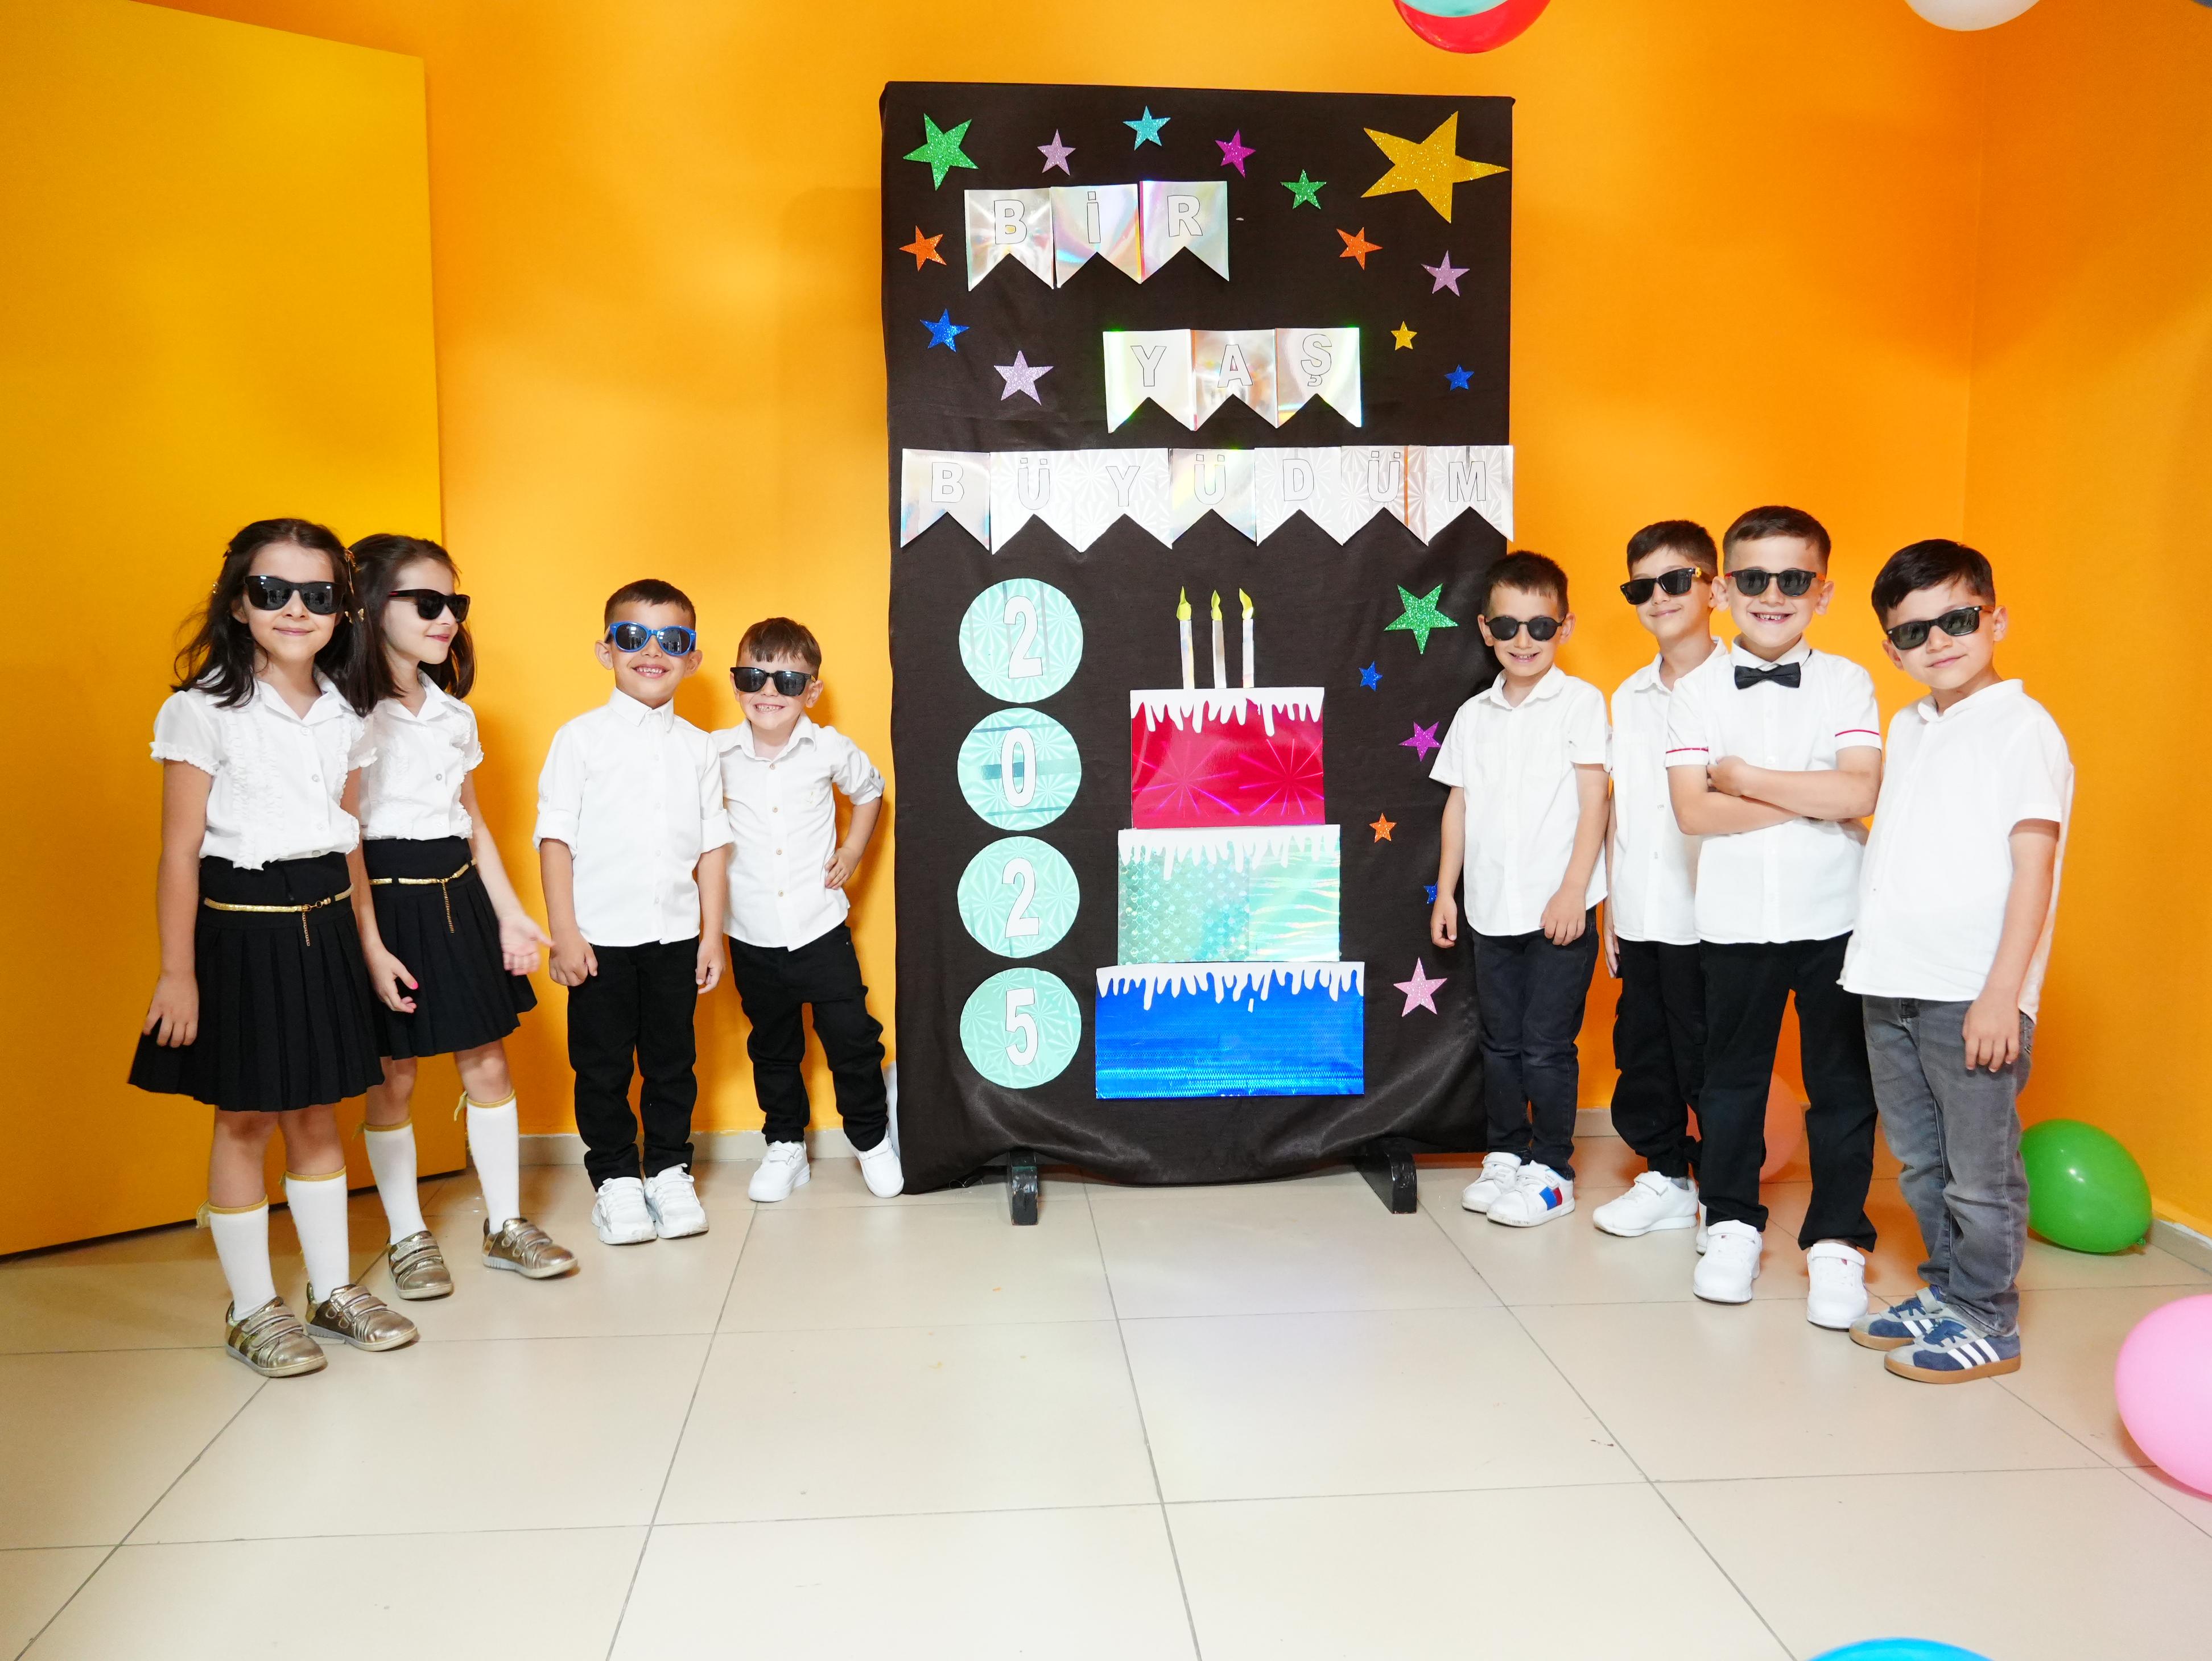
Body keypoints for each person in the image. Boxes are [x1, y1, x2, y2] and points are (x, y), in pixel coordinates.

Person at [130, 518, 417, 1375]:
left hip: (325, 923)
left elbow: (347, 838)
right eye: (273, 591)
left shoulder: (348, 713)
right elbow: (179, 851)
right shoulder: (201, 711)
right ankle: (253, 1307)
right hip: (242, 926)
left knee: (318, 1110)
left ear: (342, 610)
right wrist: (177, 973)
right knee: (247, 1117)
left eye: (317, 594)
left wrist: (370, 945)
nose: (296, 609)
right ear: (238, 603)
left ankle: (332, 1290)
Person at [1842, 540, 2070, 1382]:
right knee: (1921, 1161)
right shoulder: (1909, 725)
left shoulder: (2024, 728)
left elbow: (2034, 868)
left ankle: (1988, 1316)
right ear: (1891, 649)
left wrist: (2003, 993)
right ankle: (1947, 1291)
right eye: (1914, 632)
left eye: (1958, 620)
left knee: (1979, 1172)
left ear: (1995, 619)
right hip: (1890, 980)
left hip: (1970, 991)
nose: (1938, 642)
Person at [1666, 505, 1882, 1326]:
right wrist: (1815, 797)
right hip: (1733, 923)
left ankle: (1838, 1241)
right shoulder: (1694, 692)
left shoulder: (1847, 681)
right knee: (1731, 1084)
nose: (1773, 594)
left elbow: (1862, 789)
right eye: (1754, 578)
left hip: (1837, 918)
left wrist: (1746, 778)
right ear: (1723, 589)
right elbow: (1693, 811)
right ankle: (1729, 1222)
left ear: (1823, 592)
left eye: (1794, 579)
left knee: (1842, 1086)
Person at [350, 534, 576, 1297]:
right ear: (372, 605)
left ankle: (505, 1223)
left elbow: (472, 822)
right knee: (395, 1076)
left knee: (487, 1060)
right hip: (382, 898)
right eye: (427, 603)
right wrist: (370, 942)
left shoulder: (452, 714)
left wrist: (510, 914)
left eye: (455, 603)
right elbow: (343, 837)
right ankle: (407, 1235)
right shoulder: (344, 714)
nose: (447, 617)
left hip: (456, 893)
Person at [535, 580, 731, 1246]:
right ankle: (616, 1178)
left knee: (673, 1062)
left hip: (676, 936)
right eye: (632, 637)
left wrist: (711, 935)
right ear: (606, 650)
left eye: (672, 640)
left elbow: (712, 847)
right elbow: (555, 840)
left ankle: (669, 1170)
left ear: (692, 659)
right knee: (603, 1066)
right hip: (599, 940)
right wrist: (564, 933)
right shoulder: (579, 740)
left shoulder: (700, 748)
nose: (652, 651)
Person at [1431, 551, 1610, 1227]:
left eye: (1541, 626)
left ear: (1565, 627)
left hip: (1558, 910)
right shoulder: (1473, 714)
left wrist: (1573, 890)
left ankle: (1553, 1168)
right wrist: (1446, 892)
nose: (1524, 640)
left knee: (1546, 1044)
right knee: (1500, 1041)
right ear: (1486, 629)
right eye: (1508, 626)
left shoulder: (1581, 703)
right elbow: (1459, 804)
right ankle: (1506, 1151)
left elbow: (1595, 801)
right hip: (1489, 908)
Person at [715, 618, 901, 1201]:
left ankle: (871, 1139)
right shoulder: (714, 754)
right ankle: (785, 1145)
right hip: (750, 932)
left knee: (851, 1038)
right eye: (754, 677)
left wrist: (852, 851)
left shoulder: (829, 749)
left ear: (811, 691)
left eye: (788, 681)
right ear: (736, 683)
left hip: (820, 926)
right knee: (773, 1046)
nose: (769, 692)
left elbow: (870, 791)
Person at [1594, 521, 1720, 1238]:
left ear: (1714, 588)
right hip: (1642, 910)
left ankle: (1725, 1196)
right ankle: (1667, 1174)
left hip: (1714, 913)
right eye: (1642, 586)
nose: (1660, 597)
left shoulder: (1742, 686)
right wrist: (1613, 903)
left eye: (1676, 580)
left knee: (1713, 1056)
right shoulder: (1631, 695)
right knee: (1643, 1049)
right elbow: (1626, 802)